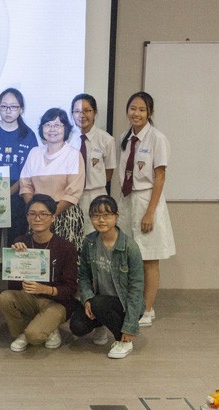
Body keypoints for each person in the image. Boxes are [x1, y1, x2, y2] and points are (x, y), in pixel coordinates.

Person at [116, 91, 175, 327]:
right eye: (133, 108)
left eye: (142, 109)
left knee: (149, 259)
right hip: (128, 201)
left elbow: (160, 177)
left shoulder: (157, 138)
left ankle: (148, 309)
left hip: (147, 200)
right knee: (129, 257)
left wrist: (150, 212)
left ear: (150, 113)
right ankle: (133, 304)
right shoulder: (124, 137)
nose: (136, 113)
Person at [0, 88, 39, 320]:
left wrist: (10, 190)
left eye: (13, 107)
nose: (8, 111)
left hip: (18, 198)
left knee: (17, 247)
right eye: (4, 106)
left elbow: (29, 170)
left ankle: (15, 295)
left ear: (21, 109)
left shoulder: (29, 135)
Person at [0, 194, 79, 352]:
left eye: (43, 214)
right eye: (32, 214)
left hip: (57, 303)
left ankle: (46, 329)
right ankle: (23, 333)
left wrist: (45, 289)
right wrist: (16, 258)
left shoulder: (66, 247)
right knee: (4, 298)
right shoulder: (21, 241)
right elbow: (12, 286)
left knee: (35, 337)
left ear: (53, 217)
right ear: (27, 217)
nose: (37, 218)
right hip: (30, 299)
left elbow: (71, 289)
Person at [69, 195, 144, 359]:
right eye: (96, 215)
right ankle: (102, 323)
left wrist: (130, 325)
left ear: (116, 216)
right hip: (98, 302)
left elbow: (136, 288)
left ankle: (123, 341)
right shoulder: (89, 242)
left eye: (107, 215)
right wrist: (87, 298)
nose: (101, 220)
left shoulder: (130, 247)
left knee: (100, 303)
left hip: (124, 304)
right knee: (77, 326)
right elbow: (84, 276)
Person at [19, 108, 86, 251]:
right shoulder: (34, 153)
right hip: (37, 216)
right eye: (48, 125)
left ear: (66, 129)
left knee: (64, 261)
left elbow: (73, 192)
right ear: (42, 128)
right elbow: (25, 186)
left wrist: (50, 214)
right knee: (36, 262)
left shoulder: (73, 154)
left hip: (65, 215)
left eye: (57, 125)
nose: (52, 129)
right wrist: (36, 212)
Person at [68, 94, 117, 235]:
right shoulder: (67, 138)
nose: (81, 115)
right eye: (77, 111)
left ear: (95, 112)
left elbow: (109, 173)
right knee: (73, 236)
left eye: (87, 110)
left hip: (96, 195)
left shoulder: (106, 140)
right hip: (71, 197)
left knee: (95, 238)